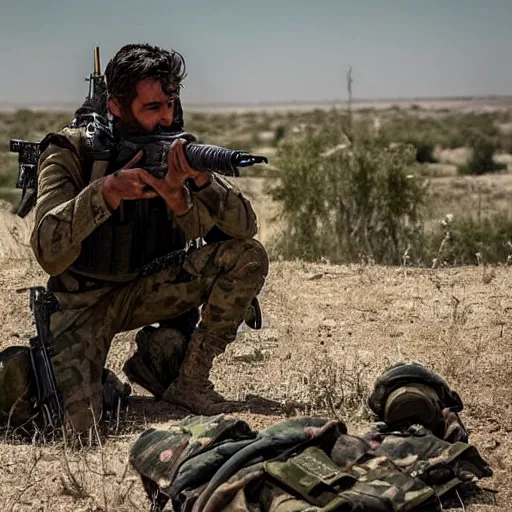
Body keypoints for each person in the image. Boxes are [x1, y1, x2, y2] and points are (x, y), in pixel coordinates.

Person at [28, 43, 269, 433]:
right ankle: (107, 384)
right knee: (76, 428)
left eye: (171, 104)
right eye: (152, 108)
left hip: (147, 291)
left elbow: (243, 229)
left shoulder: (174, 147)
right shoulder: (69, 150)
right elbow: (48, 253)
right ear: (117, 107)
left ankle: (188, 382)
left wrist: (189, 190)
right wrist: (106, 193)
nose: (166, 118)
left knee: (248, 256)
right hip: (82, 303)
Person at [129, 363, 493, 512]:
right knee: (365, 455)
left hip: (236, 470)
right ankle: (424, 422)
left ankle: (419, 421)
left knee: (354, 456)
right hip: (256, 469)